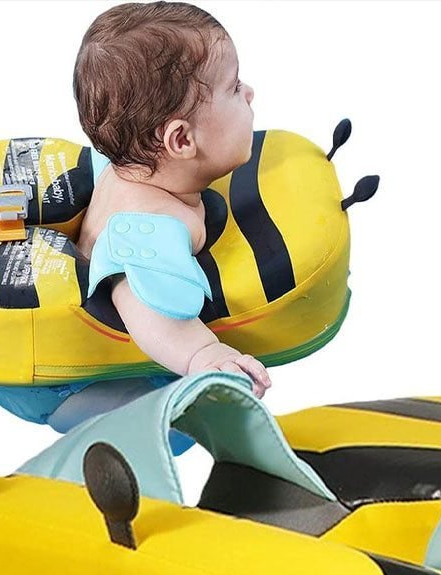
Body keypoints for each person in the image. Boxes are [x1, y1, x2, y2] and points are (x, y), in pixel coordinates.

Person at [44, 0, 271, 434]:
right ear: (181, 139)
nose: (249, 93)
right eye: (234, 86)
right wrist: (204, 356)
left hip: (76, 370)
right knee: (184, 429)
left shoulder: (126, 166)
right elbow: (140, 301)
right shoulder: (152, 224)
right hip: (80, 388)